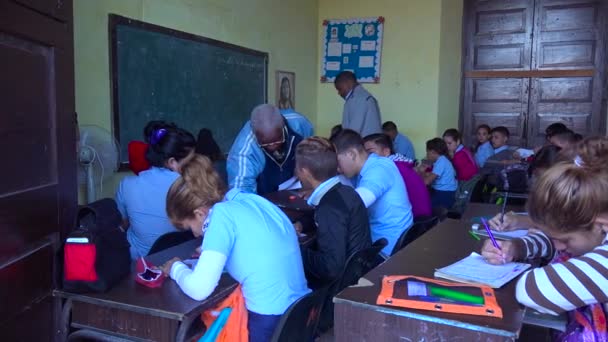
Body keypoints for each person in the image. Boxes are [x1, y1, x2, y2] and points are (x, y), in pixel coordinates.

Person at [160, 155, 310, 341]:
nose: (196, 235)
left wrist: (175, 268)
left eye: (189, 227)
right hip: (302, 312)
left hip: (271, 322)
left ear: (199, 214)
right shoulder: (249, 200)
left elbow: (199, 289)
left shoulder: (221, 216)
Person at [481, 137, 608, 339]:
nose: (557, 246)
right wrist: (516, 247)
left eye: (565, 240)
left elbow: (531, 290)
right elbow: (551, 242)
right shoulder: (594, 229)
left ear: (601, 224)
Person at [295, 137, 371, 288]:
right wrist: (302, 224)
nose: (296, 172)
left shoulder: (329, 208)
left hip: (342, 286)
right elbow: (330, 218)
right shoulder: (345, 192)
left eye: (297, 168)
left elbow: (331, 268)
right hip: (359, 270)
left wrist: (296, 249)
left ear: (305, 172)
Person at [116, 126, 196, 259]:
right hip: (181, 259)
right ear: (172, 162)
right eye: (190, 161)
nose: (194, 165)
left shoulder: (127, 184)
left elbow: (122, 224)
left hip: (137, 263)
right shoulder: (192, 185)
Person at [331, 129, 413, 256]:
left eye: (337, 162)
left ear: (352, 154)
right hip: (382, 238)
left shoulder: (379, 168)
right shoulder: (365, 169)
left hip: (388, 248)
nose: (337, 168)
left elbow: (355, 205)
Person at [227, 104, 313, 194]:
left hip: (295, 190)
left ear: (283, 128)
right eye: (265, 144)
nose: (273, 147)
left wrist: (309, 187)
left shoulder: (299, 124)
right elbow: (241, 193)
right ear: (255, 134)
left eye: (277, 141)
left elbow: (310, 155)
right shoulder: (243, 151)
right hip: (263, 195)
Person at [363, 133, 432, 218]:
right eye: (364, 153)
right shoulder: (398, 163)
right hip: (421, 215)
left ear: (386, 152)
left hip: (417, 219)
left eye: (370, 152)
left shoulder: (390, 168)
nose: (365, 157)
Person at [334, 71, 382, 137]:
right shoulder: (363, 96)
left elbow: (353, 132)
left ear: (348, 83)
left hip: (364, 144)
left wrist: (342, 144)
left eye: (339, 89)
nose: (339, 93)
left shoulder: (359, 98)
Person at [418, 138, 458, 209]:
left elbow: (426, 182)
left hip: (445, 195)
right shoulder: (442, 159)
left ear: (433, 152)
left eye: (427, 152)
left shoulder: (441, 161)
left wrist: (421, 172)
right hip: (444, 192)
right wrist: (426, 174)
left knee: (423, 204)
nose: (426, 155)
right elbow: (434, 175)